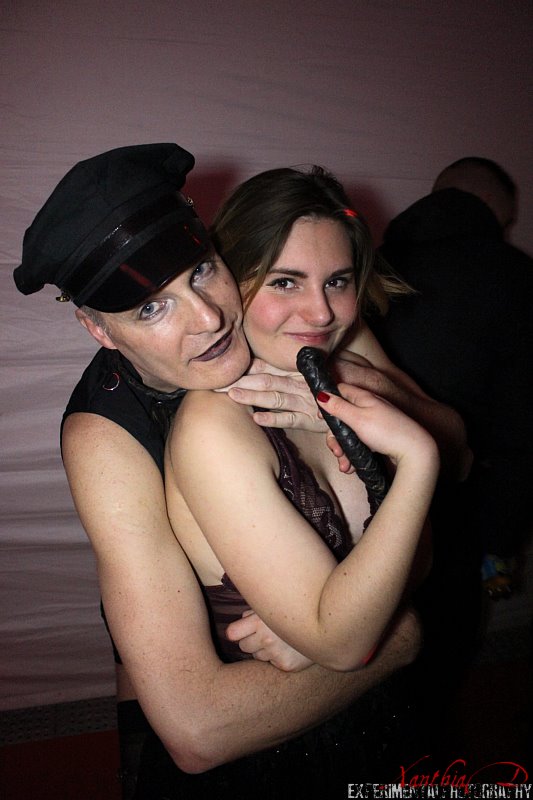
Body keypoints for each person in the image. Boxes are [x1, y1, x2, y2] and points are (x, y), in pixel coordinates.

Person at [13, 144, 463, 798]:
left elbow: (453, 447)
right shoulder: (105, 438)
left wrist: (351, 387)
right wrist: (397, 636)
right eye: (150, 308)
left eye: (201, 271)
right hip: (225, 697)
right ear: (99, 331)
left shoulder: (294, 318)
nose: (209, 318)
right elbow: (196, 728)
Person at [160, 165, 440, 795]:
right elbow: (344, 645)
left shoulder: (328, 386)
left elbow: (418, 559)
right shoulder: (216, 426)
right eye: (285, 281)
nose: (320, 311)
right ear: (230, 281)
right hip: (288, 760)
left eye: (337, 281)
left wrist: (331, 632)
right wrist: (418, 460)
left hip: (389, 721)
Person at [370, 156, 533, 746]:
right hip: (459, 513)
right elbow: (522, 429)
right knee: (435, 669)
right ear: (492, 208)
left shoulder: (368, 265)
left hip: (358, 510)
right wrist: (501, 543)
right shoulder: (515, 278)